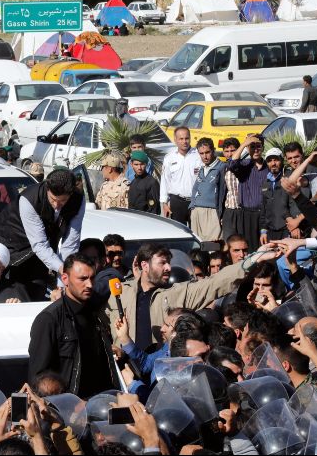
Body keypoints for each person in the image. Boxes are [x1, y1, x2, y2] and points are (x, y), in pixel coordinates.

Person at [107, 242, 281, 349]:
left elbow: (216, 282)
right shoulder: (120, 292)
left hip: (160, 373)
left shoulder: (177, 293)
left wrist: (253, 259)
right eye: (162, 263)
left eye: (169, 262)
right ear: (145, 265)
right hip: (125, 374)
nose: (169, 267)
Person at [28, 254, 119, 398]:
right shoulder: (49, 319)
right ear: (65, 279)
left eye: (92, 278)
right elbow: (39, 379)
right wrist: (68, 404)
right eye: (82, 279)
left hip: (101, 406)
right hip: (67, 411)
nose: (89, 284)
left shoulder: (95, 314)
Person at [0, 168, 85, 301]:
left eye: (62, 201)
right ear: (47, 187)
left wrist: (62, 283)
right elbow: (39, 244)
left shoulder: (78, 200)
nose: (56, 205)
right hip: (10, 246)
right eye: (53, 199)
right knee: (14, 294)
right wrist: (63, 269)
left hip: (39, 252)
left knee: (38, 291)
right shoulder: (29, 199)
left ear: (71, 193)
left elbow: (70, 244)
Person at [229, 134, 269, 250]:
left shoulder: (269, 166)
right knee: (250, 248)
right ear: (248, 149)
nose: (256, 150)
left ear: (263, 147)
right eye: (252, 147)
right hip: (248, 215)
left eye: (258, 146)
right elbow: (232, 164)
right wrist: (244, 144)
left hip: (265, 214)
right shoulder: (244, 165)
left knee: (266, 247)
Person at [260, 147, 300, 243]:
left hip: (288, 230)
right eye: (269, 161)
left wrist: (295, 226)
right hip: (270, 231)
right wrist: (263, 231)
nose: (273, 163)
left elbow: (294, 205)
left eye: (276, 160)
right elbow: (264, 209)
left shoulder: (290, 178)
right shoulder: (266, 182)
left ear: (282, 160)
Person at [189, 138, 225, 242]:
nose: (205, 156)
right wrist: (192, 206)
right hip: (197, 211)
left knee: (213, 246)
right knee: (198, 246)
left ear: (213, 150)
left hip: (212, 212)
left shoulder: (222, 167)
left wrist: (220, 214)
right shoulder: (202, 168)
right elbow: (196, 187)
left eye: (207, 152)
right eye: (201, 153)